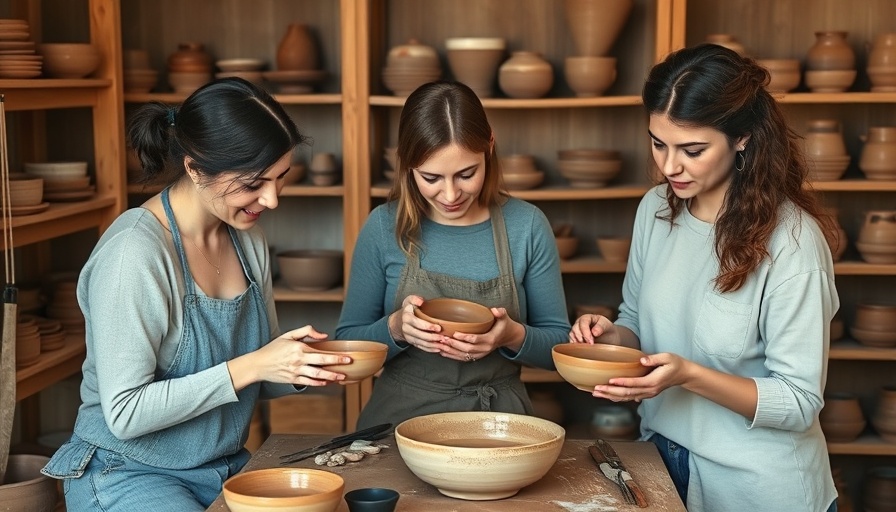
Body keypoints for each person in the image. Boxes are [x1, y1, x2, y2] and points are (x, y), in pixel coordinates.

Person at [41, 78, 351, 511]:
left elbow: (256, 377)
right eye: (253, 184)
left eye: (281, 179)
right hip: (126, 472)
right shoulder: (135, 252)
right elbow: (126, 413)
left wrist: (305, 366)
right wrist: (256, 363)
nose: (272, 199)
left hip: (221, 468)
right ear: (194, 168)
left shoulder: (249, 241)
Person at [568, 44, 840, 512]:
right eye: (658, 143)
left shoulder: (794, 243)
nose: (669, 166)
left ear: (743, 138)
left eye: (692, 150)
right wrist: (612, 335)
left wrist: (689, 375)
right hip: (660, 463)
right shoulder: (655, 210)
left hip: (759, 488)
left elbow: (798, 402)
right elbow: (636, 319)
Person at [336, 80, 571, 429]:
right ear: (407, 165)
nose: (450, 195)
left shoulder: (526, 226)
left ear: (489, 146)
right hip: (398, 421)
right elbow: (345, 346)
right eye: (431, 177)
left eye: (466, 174)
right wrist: (396, 328)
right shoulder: (384, 227)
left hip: (499, 422)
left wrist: (512, 336)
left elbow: (561, 346)